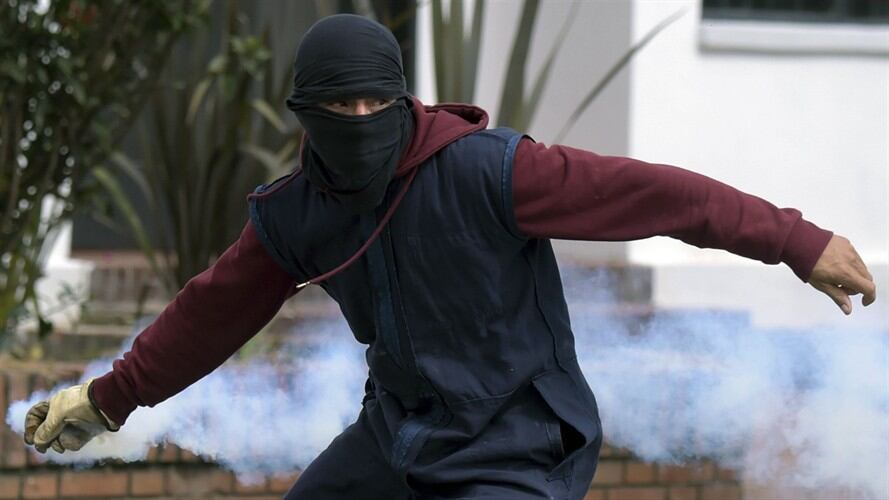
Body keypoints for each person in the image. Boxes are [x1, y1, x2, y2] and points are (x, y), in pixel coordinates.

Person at [23, 14, 876, 500]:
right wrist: (107, 397)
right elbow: (210, 312)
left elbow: (660, 196)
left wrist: (795, 242)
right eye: (336, 105)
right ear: (304, 115)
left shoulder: (491, 171)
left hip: (518, 444)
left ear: (403, 99)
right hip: (397, 436)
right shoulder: (296, 216)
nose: (358, 118)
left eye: (374, 101)